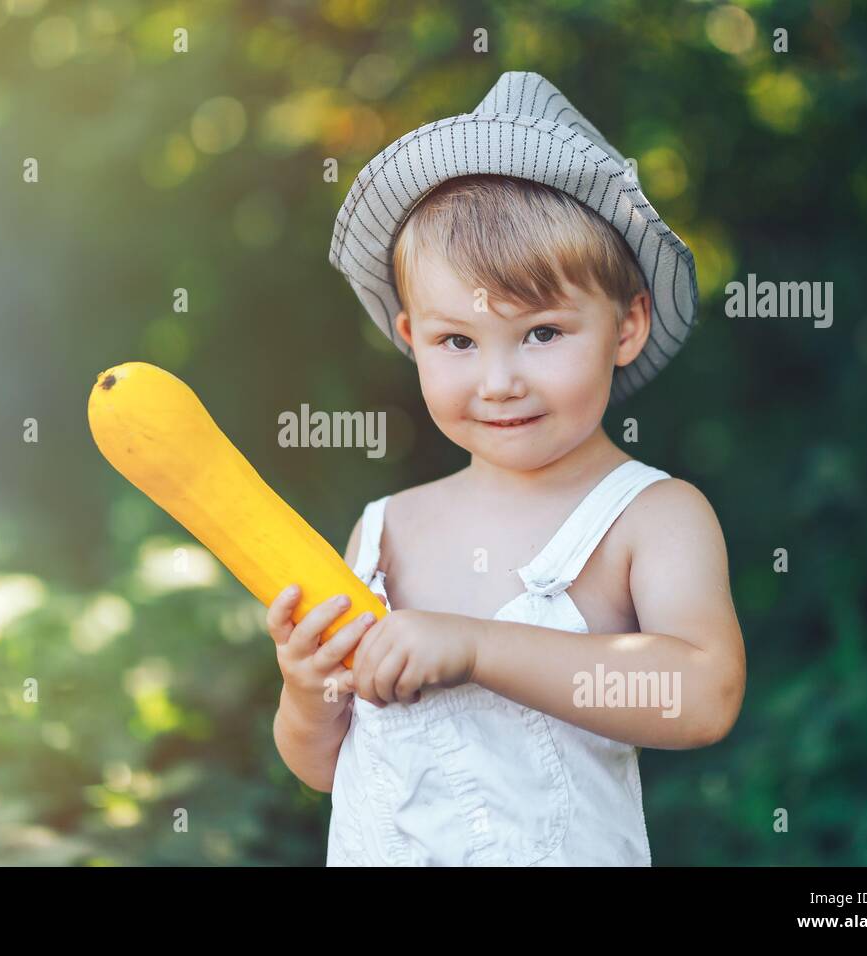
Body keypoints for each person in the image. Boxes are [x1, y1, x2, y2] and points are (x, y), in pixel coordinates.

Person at [270, 72, 745, 866]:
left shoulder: (649, 515)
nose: (499, 381)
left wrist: (478, 648)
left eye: (543, 334)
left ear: (625, 327)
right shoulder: (387, 530)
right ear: (411, 336)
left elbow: (700, 697)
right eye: (458, 342)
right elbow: (326, 766)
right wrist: (305, 689)